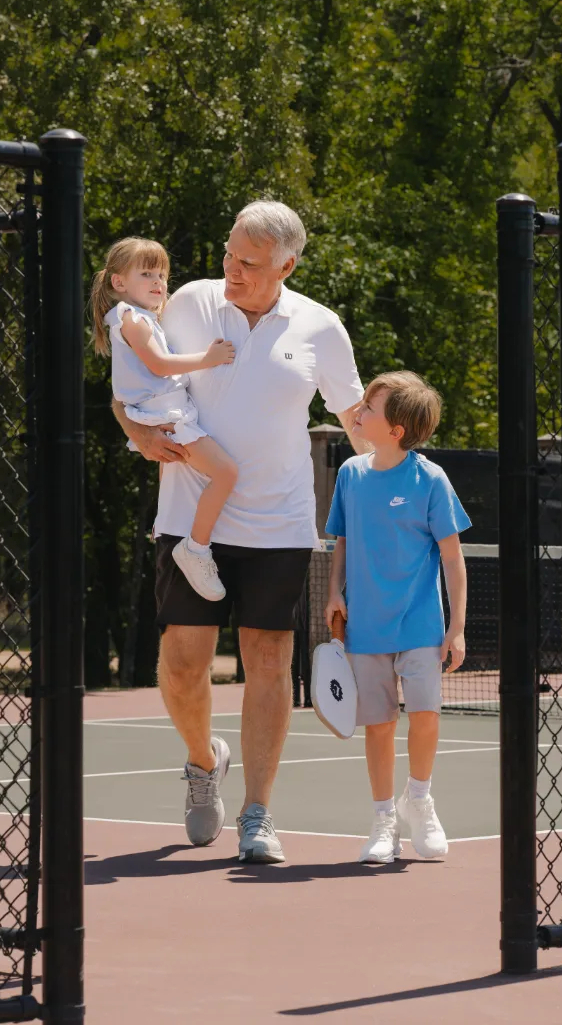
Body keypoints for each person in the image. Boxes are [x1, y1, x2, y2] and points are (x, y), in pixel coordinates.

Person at [111, 201, 366, 863]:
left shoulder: (321, 328)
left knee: (270, 661)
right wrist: (134, 429)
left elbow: (358, 421)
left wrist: (395, 489)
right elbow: (130, 374)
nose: (232, 269)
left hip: (278, 523)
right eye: (228, 253)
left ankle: (258, 813)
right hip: (188, 517)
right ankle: (204, 761)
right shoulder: (190, 302)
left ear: (288, 263)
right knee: (184, 662)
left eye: (248, 262)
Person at [323, 371, 470, 864]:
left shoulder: (430, 480)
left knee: (426, 716)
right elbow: (341, 540)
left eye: (369, 407)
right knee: (379, 725)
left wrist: (457, 626)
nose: (358, 412)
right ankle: (384, 816)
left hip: (421, 626)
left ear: (396, 430)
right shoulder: (350, 474)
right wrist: (332, 592)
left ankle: (420, 800)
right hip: (366, 628)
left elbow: (452, 559)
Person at [91, 237, 238, 601]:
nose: (158, 282)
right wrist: (210, 358)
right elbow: (158, 364)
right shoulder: (132, 320)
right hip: (166, 414)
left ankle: (167, 527)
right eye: (146, 274)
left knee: (171, 470)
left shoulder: (140, 318)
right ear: (118, 283)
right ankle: (196, 547)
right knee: (226, 473)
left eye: (162, 274)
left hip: (165, 410)